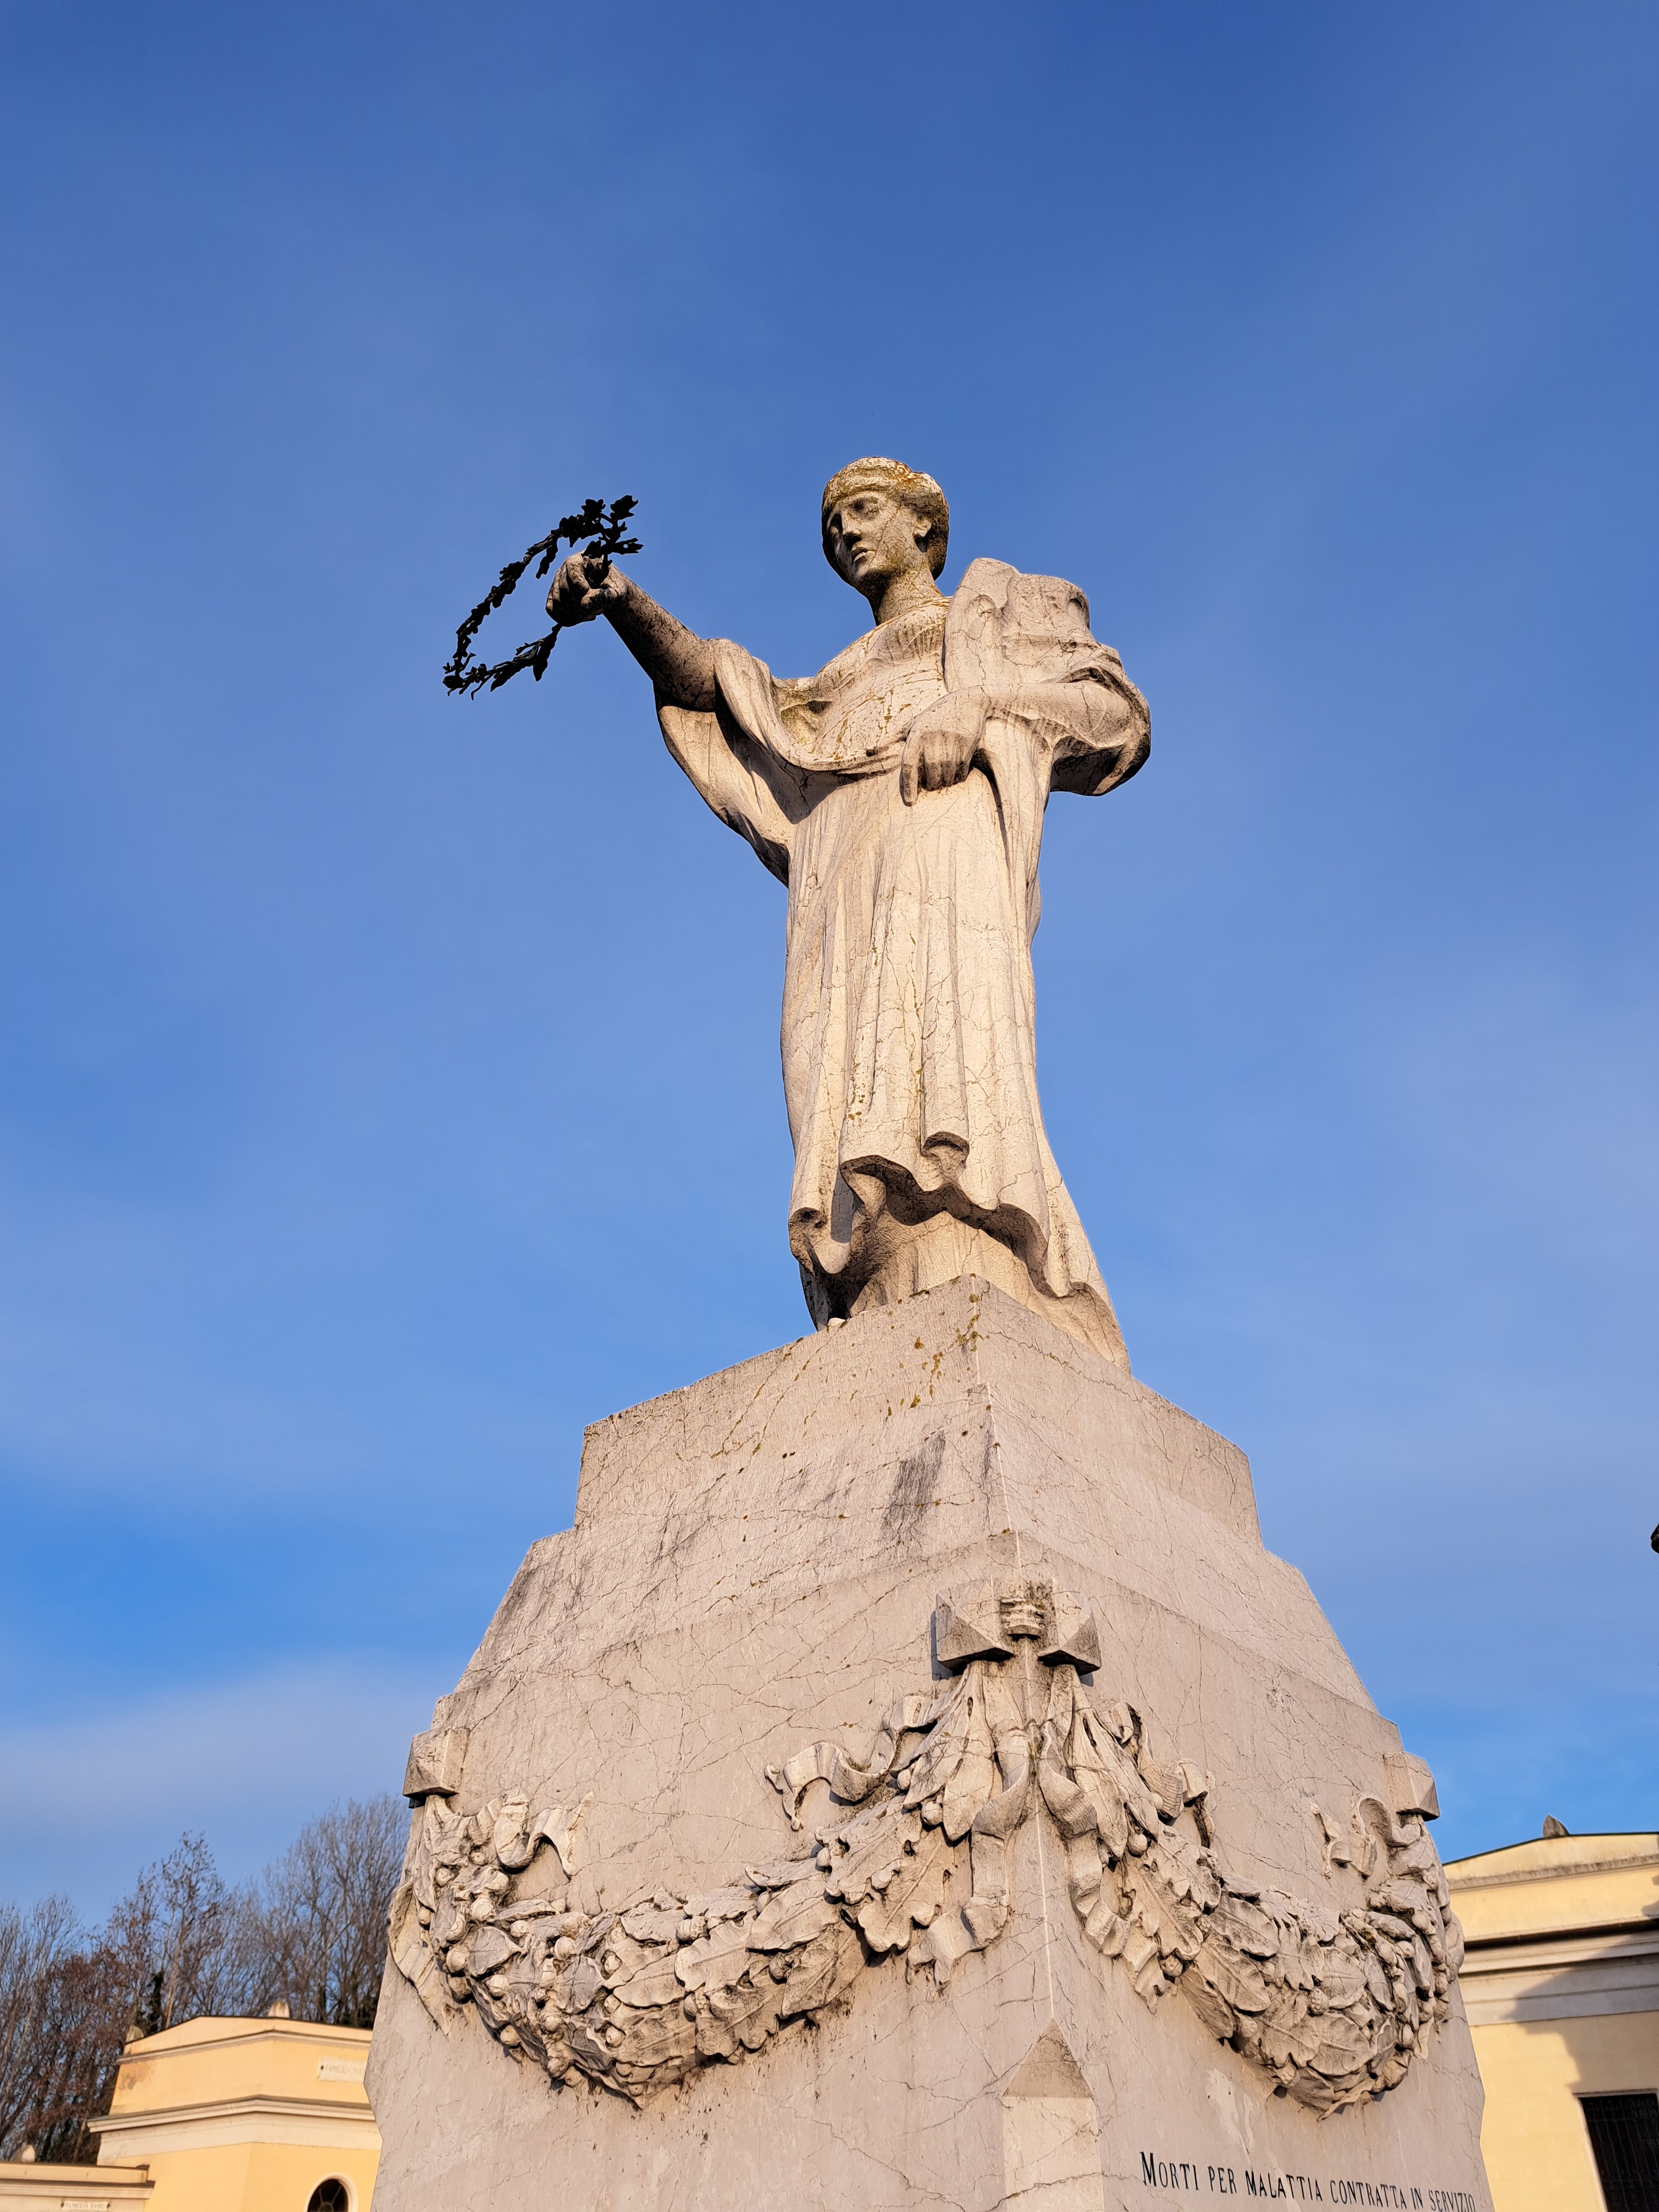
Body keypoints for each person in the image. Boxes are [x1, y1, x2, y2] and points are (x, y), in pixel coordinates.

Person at [548, 458, 1150, 1365]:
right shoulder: (838, 678)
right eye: (833, 527)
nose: (848, 535)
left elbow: (1115, 716)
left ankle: (968, 1249)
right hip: (841, 860)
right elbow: (720, 686)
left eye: (864, 513)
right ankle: (872, 1276)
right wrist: (625, 603)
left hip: (941, 829)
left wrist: (978, 709)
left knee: (946, 1061)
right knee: (835, 1086)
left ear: (924, 530)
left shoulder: (998, 610)